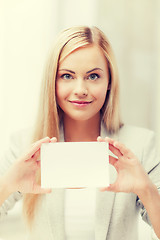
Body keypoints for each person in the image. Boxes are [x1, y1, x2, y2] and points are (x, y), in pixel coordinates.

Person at [0, 25, 160, 240]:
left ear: (109, 82)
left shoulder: (141, 145)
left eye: (93, 76)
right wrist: (6, 186)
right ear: (52, 82)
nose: (80, 89)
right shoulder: (24, 145)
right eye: (67, 76)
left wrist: (147, 191)